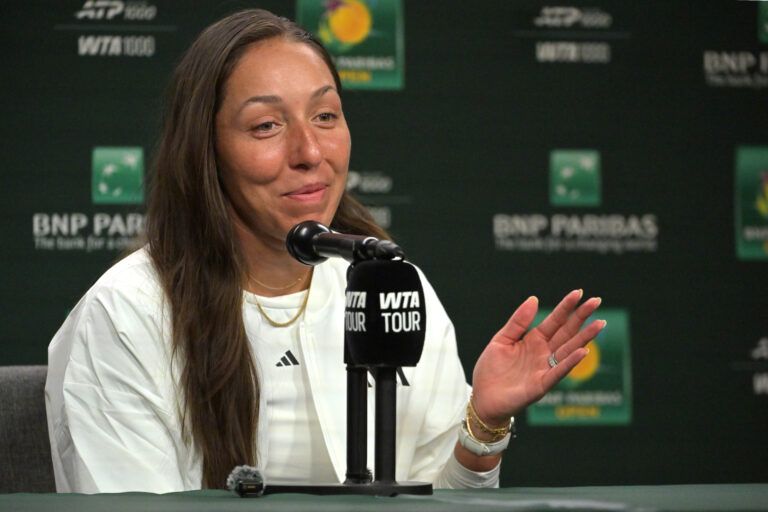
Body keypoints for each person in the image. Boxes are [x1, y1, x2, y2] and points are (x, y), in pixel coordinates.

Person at [45, 9, 605, 493]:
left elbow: (439, 498)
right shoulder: (125, 316)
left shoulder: (388, 281)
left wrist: (482, 424)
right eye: (266, 126)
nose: (309, 151)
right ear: (205, 152)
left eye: (325, 116)